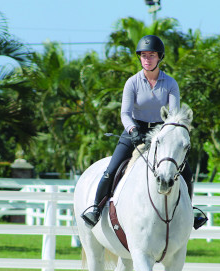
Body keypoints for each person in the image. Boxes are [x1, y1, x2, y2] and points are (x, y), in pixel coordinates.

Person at [81, 34, 206, 230]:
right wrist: (132, 130)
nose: (147, 59)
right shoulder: (132, 82)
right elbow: (125, 113)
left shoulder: (170, 83)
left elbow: (173, 115)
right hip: (135, 130)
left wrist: (165, 133)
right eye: (144, 55)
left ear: (160, 57)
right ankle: (95, 209)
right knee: (110, 170)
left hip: (161, 132)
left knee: (186, 173)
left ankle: (190, 211)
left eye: (151, 55)